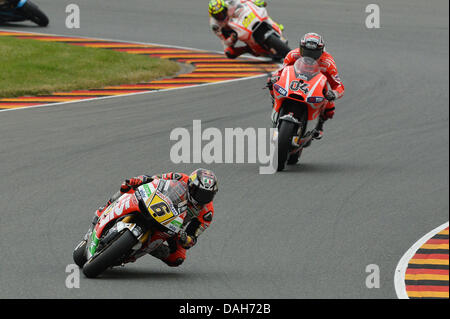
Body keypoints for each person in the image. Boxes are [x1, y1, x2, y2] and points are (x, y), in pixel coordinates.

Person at [97, 168, 218, 267]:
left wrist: (185, 238)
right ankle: (104, 209)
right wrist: (140, 180)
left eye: (207, 195)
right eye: (199, 192)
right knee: (130, 185)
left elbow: (192, 238)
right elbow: (155, 179)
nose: (201, 198)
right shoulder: (179, 178)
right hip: (156, 204)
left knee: (177, 258)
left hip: (173, 226)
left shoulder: (207, 213)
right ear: (190, 185)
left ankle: (136, 251)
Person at [267, 32, 345, 139]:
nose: (310, 56)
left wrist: (334, 94)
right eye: (307, 52)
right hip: (295, 81)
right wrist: (275, 78)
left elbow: (338, 85)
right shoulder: (293, 55)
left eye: (314, 53)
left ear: (321, 51)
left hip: (316, 84)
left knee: (330, 108)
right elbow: (282, 72)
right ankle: (275, 102)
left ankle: (319, 125)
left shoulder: (328, 62)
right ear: (301, 48)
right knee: (270, 81)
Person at [208, 0, 274, 59]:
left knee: (260, 8)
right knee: (229, 52)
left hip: (240, 19)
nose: (221, 15)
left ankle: (273, 24)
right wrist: (231, 38)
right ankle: (248, 49)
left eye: (222, 12)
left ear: (225, 7)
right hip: (232, 31)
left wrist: (256, 2)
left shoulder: (231, 3)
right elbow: (224, 40)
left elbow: (245, 1)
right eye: (217, 15)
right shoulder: (215, 25)